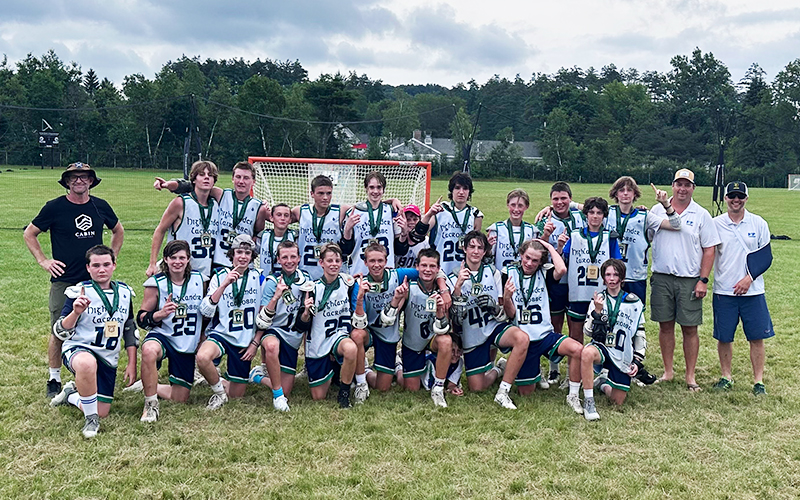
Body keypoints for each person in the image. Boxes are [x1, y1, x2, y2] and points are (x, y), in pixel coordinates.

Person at [24, 162, 124, 398]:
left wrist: (110, 258)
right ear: (67, 182)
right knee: (60, 328)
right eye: (74, 178)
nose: (79, 181)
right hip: (65, 280)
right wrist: (43, 260)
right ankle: (54, 378)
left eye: (84, 177)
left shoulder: (100, 206)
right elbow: (30, 233)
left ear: (91, 181)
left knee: (99, 325)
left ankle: (96, 371)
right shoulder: (54, 207)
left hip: (95, 282)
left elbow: (118, 230)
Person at [49, 245, 137, 438]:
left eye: (106, 264)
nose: (101, 269)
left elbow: (130, 329)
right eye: (96, 265)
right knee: (87, 364)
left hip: (108, 357)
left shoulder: (124, 292)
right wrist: (75, 312)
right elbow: (60, 331)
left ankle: (72, 394)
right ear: (88, 268)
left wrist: (132, 363)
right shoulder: (78, 291)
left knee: (103, 410)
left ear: (114, 265)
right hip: (80, 349)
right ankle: (91, 420)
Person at [650, 169, 720, 391]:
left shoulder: (701, 214)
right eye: (679, 184)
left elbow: (709, 249)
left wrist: (703, 280)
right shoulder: (656, 210)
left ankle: (690, 375)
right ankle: (668, 371)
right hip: (662, 276)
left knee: (690, 328)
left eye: (687, 185)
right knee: (665, 325)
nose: (682, 189)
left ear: (693, 188)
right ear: (672, 186)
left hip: (689, 279)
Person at [606, 176, 681, 385]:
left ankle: (633, 366)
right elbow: (585, 209)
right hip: (610, 278)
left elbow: (675, 224)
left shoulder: (644, 216)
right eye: (621, 190)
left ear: (635, 194)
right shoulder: (607, 213)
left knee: (632, 324)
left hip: (635, 277)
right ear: (616, 193)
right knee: (609, 321)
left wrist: (665, 203)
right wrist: (549, 208)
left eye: (630, 190)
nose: (626, 194)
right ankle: (608, 364)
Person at [350, 242, 450, 397]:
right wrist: (361, 296)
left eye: (380, 261)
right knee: (357, 334)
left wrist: (442, 286)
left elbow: (428, 271)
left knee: (383, 387)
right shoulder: (359, 284)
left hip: (387, 335)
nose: (376, 265)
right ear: (365, 262)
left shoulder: (397, 275)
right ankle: (361, 382)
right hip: (369, 330)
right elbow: (359, 323)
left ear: (386, 261)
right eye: (372, 261)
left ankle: (393, 367)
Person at [448, 231, 530, 410]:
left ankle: (503, 392)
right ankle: (499, 369)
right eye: (472, 247)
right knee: (477, 388)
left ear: (485, 251)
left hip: (493, 326)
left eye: (480, 248)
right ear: (465, 249)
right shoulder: (453, 277)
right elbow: (456, 318)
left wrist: (494, 307)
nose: (476, 251)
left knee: (522, 338)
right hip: (471, 333)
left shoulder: (493, 272)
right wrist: (458, 289)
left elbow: (504, 313)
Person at [501, 239, 585, 413]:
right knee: (526, 392)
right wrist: (507, 298)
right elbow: (510, 314)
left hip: (545, 335)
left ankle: (574, 395)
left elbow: (561, 269)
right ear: (521, 255)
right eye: (527, 258)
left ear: (541, 262)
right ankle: (510, 366)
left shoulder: (543, 273)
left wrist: (547, 247)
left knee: (577, 349)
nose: (530, 263)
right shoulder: (508, 272)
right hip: (524, 339)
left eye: (535, 260)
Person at [711, 182, 774, 395]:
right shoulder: (715, 224)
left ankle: (758, 381)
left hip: (753, 292)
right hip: (724, 291)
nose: (735, 200)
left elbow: (766, 257)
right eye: (731, 196)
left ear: (746, 198)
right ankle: (726, 376)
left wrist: (749, 279)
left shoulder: (758, 223)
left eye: (740, 196)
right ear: (726, 198)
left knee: (756, 337)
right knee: (724, 337)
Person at [131, 240, 204, 422]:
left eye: (182, 257)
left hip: (186, 341)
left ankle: (149, 384)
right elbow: (141, 318)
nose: (177, 262)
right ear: (165, 259)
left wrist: (202, 338)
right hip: (163, 335)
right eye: (173, 258)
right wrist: (160, 314)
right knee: (148, 350)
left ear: (188, 259)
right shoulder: (156, 283)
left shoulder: (200, 280)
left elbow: (207, 312)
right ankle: (150, 404)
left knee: (180, 398)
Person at [154, 161, 269, 270]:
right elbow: (191, 185)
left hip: (241, 264)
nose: (241, 181)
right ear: (232, 179)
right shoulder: (221, 195)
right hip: (217, 263)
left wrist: (269, 208)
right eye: (238, 177)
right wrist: (168, 185)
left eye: (246, 178)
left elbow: (263, 229)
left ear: (253, 181)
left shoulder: (259, 208)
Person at [196, 235, 266, 410]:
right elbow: (205, 311)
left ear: (252, 256)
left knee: (237, 395)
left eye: (247, 253)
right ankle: (219, 393)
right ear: (232, 254)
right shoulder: (219, 276)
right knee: (203, 357)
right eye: (239, 252)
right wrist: (224, 284)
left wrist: (255, 343)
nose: (243, 256)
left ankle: (219, 380)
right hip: (222, 334)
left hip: (244, 340)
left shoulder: (260, 278)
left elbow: (265, 317)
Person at [294, 243, 359, 408]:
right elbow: (300, 326)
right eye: (330, 260)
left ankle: (344, 394)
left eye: (337, 260)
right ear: (321, 263)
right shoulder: (312, 288)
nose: (334, 264)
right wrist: (306, 313)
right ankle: (334, 369)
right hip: (319, 341)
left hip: (339, 336)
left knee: (351, 349)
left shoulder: (348, 284)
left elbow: (356, 314)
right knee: (318, 397)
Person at [580, 259, 646, 421]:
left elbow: (640, 334)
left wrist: (637, 361)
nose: (611, 278)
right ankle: (589, 401)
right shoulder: (598, 299)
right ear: (603, 278)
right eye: (608, 274)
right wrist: (597, 312)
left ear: (622, 278)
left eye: (615, 275)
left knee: (617, 402)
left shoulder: (634, 302)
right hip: (602, 347)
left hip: (621, 351)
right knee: (587, 353)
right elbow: (587, 331)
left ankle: (602, 383)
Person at [249, 240, 310, 411]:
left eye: (293, 256)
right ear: (278, 259)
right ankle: (277, 397)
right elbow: (261, 319)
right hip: (275, 330)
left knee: (287, 389)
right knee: (271, 346)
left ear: (299, 258)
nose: (289, 261)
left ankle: (258, 377)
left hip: (293, 336)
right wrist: (275, 297)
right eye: (285, 257)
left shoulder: (306, 280)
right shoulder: (271, 281)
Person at [394, 248, 454, 408]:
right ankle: (398, 364)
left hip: (433, 338)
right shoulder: (409, 288)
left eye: (432, 266)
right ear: (417, 267)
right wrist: (397, 299)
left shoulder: (444, 290)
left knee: (446, 341)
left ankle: (438, 388)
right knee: (411, 388)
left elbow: (445, 327)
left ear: (438, 269)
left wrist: (441, 312)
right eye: (424, 265)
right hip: (413, 342)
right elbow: (391, 317)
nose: (428, 270)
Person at [536, 181, 583, 386]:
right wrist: (546, 235)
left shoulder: (581, 218)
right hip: (554, 281)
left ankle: (574, 372)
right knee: (554, 325)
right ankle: (554, 369)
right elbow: (536, 253)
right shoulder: (544, 219)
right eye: (555, 199)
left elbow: (598, 207)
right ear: (550, 201)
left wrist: (576, 206)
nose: (559, 202)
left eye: (564, 198)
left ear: (570, 199)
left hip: (577, 281)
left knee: (575, 327)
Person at [561, 197, 621, 345]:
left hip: (601, 293)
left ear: (604, 215)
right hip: (578, 293)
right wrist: (560, 247)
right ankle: (575, 367)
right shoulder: (574, 236)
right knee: (575, 334)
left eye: (599, 213)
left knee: (601, 332)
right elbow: (563, 260)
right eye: (591, 212)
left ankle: (597, 365)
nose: (595, 216)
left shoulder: (610, 238)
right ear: (586, 214)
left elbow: (618, 266)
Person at [148, 160, 221, 281]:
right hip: (178, 269)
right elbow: (160, 230)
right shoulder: (181, 203)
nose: (206, 178)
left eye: (210, 175)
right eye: (202, 175)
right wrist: (152, 263)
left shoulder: (217, 204)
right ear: (193, 179)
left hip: (205, 270)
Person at [410, 172, 484, 276]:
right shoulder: (441, 210)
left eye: (465, 188)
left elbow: (476, 246)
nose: (461, 192)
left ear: (469, 192)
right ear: (452, 190)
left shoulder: (475, 214)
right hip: (440, 269)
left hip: (464, 270)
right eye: (457, 188)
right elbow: (417, 234)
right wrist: (429, 214)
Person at [342, 171, 407, 276]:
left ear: (383, 190)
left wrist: (404, 232)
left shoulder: (392, 211)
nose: (375, 191)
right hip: (360, 271)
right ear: (366, 189)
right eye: (371, 187)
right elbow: (345, 250)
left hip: (386, 272)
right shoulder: (354, 212)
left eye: (379, 187)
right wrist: (347, 230)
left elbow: (400, 250)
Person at [293, 175, 348, 280]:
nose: (325, 197)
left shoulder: (340, 211)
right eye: (321, 193)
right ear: (312, 194)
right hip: (306, 274)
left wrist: (388, 201)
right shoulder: (300, 211)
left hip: (333, 276)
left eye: (329, 193)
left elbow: (368, 208)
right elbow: (276, 216)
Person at [486, 189, 539, 270]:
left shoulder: (532, 231)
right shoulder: (496, 229)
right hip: (501, 278)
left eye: (520, 205)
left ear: (526, 206)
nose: (516, 209)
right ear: (508, 205)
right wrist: (488, 248)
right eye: (513, 205)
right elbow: (488, 258)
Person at [258, 203, 296, 275]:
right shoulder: (263, 236)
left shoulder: (295, 237)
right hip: (265, 282)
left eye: (286, 215)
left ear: (290, 220)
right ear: (271, 218)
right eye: (279, 215)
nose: (282, 218)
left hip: (288, 281)